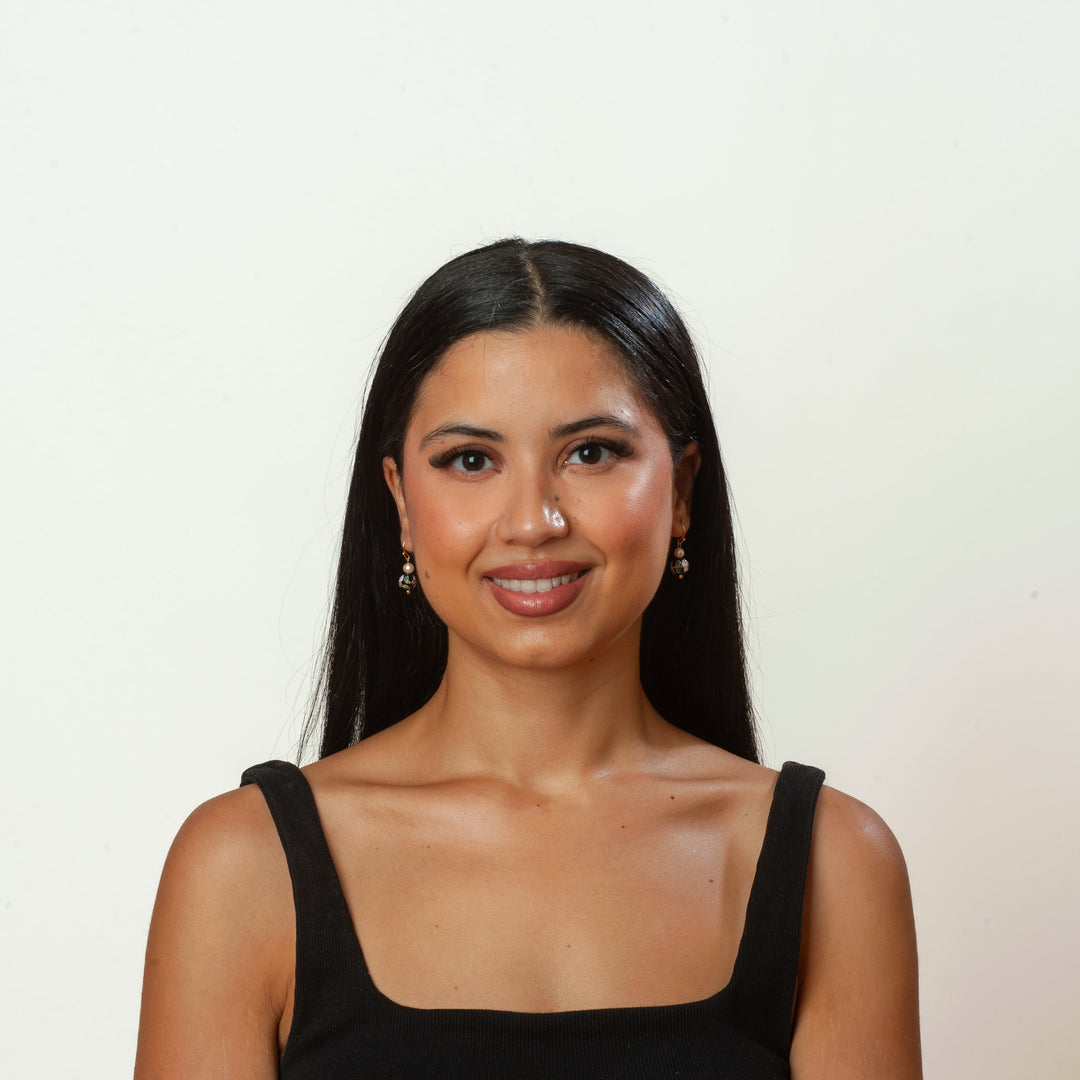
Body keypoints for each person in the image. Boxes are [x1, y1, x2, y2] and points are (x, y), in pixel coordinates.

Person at [134, 239, 922, 1079]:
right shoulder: (240, 867)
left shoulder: (832, 867)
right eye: (471, 460)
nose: (534, 520)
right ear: (401, 502)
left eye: (591, 452)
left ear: (682, 489)